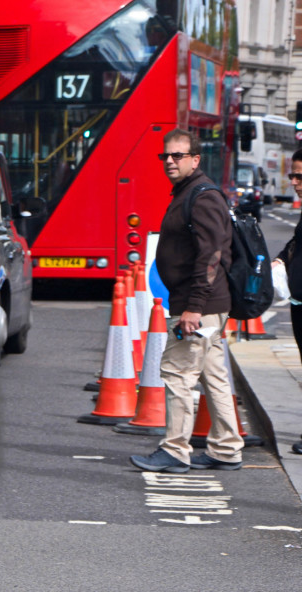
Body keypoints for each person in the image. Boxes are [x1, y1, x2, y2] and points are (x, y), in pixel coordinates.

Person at [130, 129, 243, 473]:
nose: (170, 162)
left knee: (178, 373)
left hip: (199, 307)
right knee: (214, 375)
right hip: (205, 305)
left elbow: (211, 257)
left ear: (195, 159)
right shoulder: (188, 193)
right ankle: (227, 449)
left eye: (178, 156)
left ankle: (175, 450)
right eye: (166, 156)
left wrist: (193, 307)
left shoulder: (202, 196)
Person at [271, 147, 302, 454]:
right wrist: (281, 260)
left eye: (300, 176)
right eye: (293, 175)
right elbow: (297, 243)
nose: (294, 182)